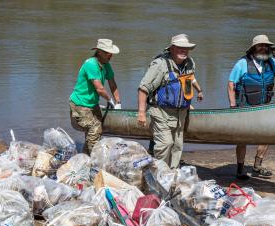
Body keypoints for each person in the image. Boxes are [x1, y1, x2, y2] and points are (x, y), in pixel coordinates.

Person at [228, 35, 275, 179]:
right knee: (242, 139)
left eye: (266, 46)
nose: (263, 48)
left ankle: (257, 166)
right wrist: (232, 105)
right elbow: (231, 84)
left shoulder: (271, 62)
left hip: (264, 107)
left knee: (266, 136)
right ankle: (240, 170)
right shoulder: (242, 63)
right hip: (245, 108)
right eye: (260, 46)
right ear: (253, 48)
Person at [137, 34, 203, 169]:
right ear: (172, 48)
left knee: (177, 146)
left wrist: (190, 100)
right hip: (161, 111)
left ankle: (172, 176)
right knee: (165, 144)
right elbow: (143, 88)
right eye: (180, 48)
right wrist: (141, 112)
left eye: (186, 48)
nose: (184, 51)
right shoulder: (160, 65)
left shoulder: (189, 63)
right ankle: (159, 175)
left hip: (180, 114)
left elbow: (187, 81)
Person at [69, 39, 121, 155]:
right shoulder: (91, 64)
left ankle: (85, 156)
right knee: (94, 128)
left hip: (92, 104)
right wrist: (109, 100)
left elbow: (112, 84)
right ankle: (94, 159)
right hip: (80, 104)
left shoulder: (106, 65)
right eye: (108, 53)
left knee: (98, 129)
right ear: (99, 52)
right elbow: (100, 88)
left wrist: (118, 102)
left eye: (111, 53)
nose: (110, 55)